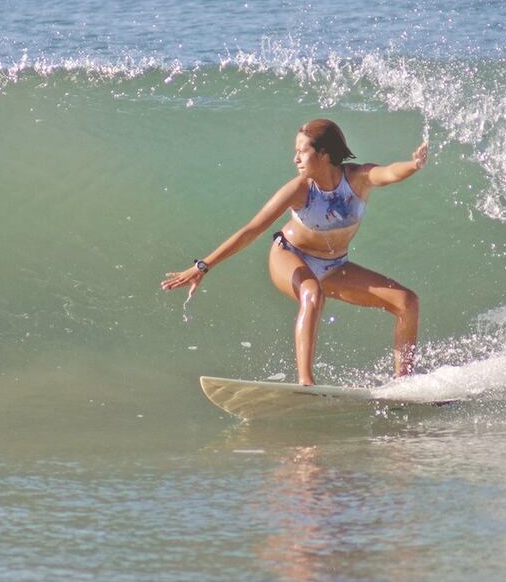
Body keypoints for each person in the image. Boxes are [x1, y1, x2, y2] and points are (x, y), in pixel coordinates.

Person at [161, 119, 428, 385]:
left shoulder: (357, 178)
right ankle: (305, 383)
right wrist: (203, 265)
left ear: (323, 154)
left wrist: (413, 165)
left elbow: (389, 172)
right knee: (312, 293)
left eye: (302, 151)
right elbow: (252, 229)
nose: (295, 158)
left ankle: (403, 382)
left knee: (408, 302)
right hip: (290, 255)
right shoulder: (299, 189)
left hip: (334, 265)